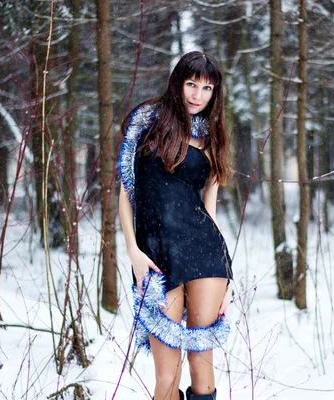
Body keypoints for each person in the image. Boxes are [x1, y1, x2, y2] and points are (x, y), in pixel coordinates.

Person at [118, 51, 233, 400]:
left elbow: (209, 211)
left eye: (207, 88)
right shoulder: (146, 124)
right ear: (178, 83)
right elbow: (126, 191)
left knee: (201, 361)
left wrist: (227, 276)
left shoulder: (213, 140)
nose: (198, 95)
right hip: (155, 256)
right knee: (166, 376)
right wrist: (133, 251)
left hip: (205, 256)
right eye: (191, 84)